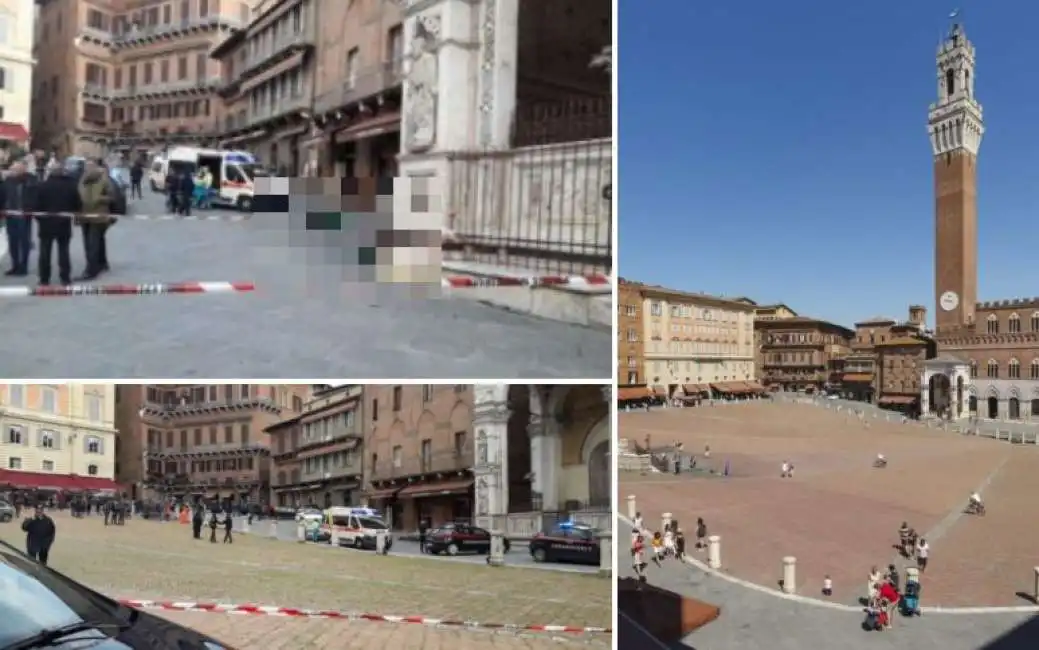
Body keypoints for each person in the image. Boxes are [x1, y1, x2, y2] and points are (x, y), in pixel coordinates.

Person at [35, 160, 80, 286]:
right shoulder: (70, 185)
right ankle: (65, 277)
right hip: (63, 223)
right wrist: (73, 216)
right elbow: (77, 203)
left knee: (44, 252)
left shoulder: (42, 186)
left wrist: (40, 219)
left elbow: (36, 206)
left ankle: (44, 278)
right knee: (64, 251)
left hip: (46, 224)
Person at [76, 159, 114, 280]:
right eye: (86, 166)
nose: (88, 168)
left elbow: (112, 196)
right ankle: (102, 263)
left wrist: (100, 199)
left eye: (90, 166)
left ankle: (91, 270)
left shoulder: (104, 179)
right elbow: (77, 195)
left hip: (99, 215)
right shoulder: (82, 179)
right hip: (84, 215)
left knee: (92, 243)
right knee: (96, 241)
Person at [0, 161, 39, 276]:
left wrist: (31, 208)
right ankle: (15, 265)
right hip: (10, 215)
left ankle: (23, 266)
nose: (12, 172)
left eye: (15, 170)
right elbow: (2, 195)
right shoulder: (8, 181)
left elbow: (35, 196)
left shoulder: (30, 181)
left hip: (24, 215)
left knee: (24, 241)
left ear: (23, 170)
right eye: (12, 170)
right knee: (13, 241)